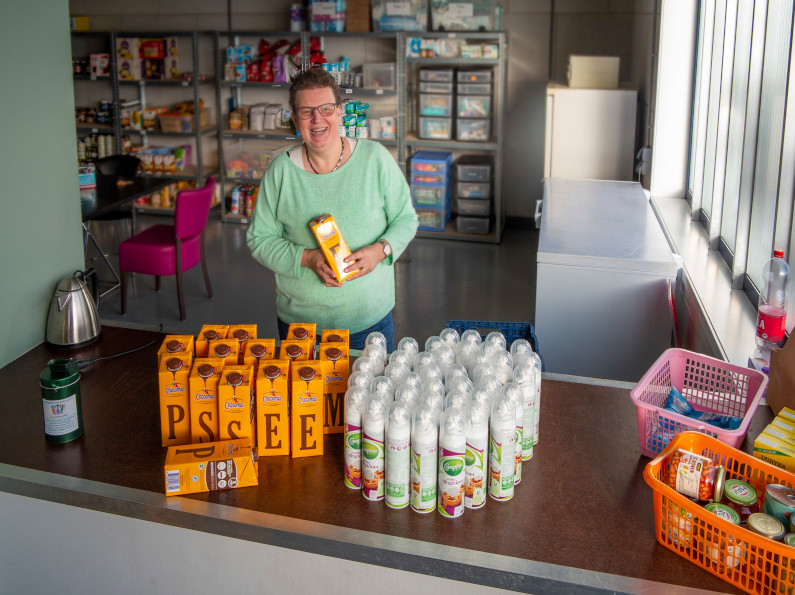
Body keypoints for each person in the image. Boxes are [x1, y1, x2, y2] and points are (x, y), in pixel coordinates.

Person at [246, 68, 418, 351]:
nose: (317, 119)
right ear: (294, 120)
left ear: (339, 113)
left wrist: (382, 250)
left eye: (326, 108)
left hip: (369, 320)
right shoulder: (281, 171)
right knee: (304, 397)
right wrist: (307, 258)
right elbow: (260, 239)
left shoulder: (375, 159)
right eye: (306, 111)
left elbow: (405, 219)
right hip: (301, 326)